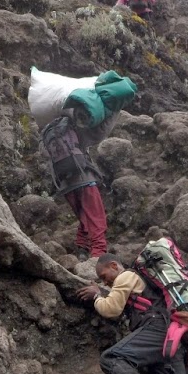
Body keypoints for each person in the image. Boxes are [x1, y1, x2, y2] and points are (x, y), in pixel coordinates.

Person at [43, 109, 113, 260]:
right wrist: (112, 112)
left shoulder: (48, 132)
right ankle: (97, 256)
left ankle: (82, 249)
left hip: (65, 183)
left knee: (83, 215)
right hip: (84, 178)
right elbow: (99, 134)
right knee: (96, 217)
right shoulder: (76, 127)